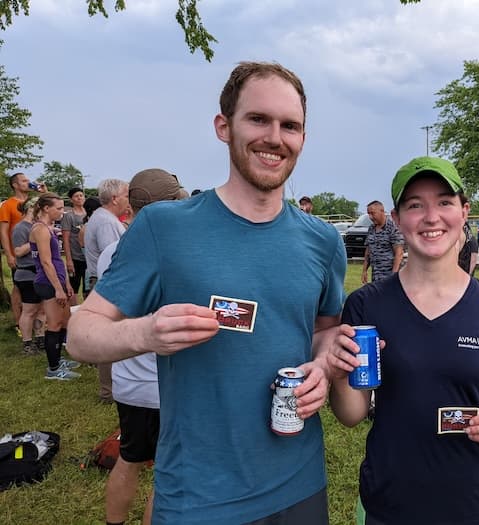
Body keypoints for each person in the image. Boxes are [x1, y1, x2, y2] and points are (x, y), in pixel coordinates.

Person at [67, 61, 346, 525]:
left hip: (299, 485)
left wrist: (321, 365)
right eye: (258, 119)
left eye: (290, 125)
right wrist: (147, 333)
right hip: (197, 494)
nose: (275, 137)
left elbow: (324, 331)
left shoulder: (323, 241)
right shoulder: (164, 227)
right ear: (224, 126)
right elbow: (80, 334)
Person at [327, 156, 479, 525]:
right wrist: (340, 372)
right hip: (388, 505)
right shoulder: (366, 305)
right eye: (414, 205)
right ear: (396, 218)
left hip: (478, 507)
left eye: (444, 201)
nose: (431, 216)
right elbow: (351, 415)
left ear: (464, 211)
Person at [99, 168, 187, 525]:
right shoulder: (173, 252)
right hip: (165, 384)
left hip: (128, 381)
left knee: (129, 458)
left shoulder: (111, 250)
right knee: (166, 470)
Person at [84, 178, 129, 404]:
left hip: (104, 283)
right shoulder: (106, 223)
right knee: (109, 338)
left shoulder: (104, 218)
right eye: (126, 195)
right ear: (114, 198)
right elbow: (113, 257)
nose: (128, 201)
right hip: (107, 285)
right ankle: (108, 391)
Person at [29, 193, 81, 380]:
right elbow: (46, 262)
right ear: (46, 208)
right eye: (58, 208)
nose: (62, 212)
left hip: (58, 280)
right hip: (48, 283)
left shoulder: (49, 228)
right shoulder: (40, 230)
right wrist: (57, 288)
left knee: (65, 321)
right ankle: (53, 368)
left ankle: (59, 359)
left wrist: (66, 283)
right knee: (55, 324)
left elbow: (58, 259)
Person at [0, 172, 46, 334]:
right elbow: (3, 231)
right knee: (19, 288)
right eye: (24, 181)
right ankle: (19, 323)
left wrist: (43, 193)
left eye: (28, 180)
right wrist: (9, 254)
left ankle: (36, 324)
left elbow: (50, 209)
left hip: (36, 255)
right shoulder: (8, 205)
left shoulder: (33, 203)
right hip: (19, 254)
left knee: (36, 290)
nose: (28, 183)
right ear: (15, 185)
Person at [12, 197, 45, 355]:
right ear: (32, 208)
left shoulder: (36, 226)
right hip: (26, 273)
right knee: (29, 310)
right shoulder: (20, 227)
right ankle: (27, 344)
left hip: (38, 273)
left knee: (41, 310)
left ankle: (40, 339)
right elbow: (17, 252)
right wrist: (35, 241)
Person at [361, 200, 404, 284]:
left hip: (389, 276)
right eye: (368, 214)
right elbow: (368, 252)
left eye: (373, 213)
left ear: (382, 211)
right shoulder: (371, 229)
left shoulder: (392, 227)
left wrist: (393, 276)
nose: (370, 217)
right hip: (376, 276)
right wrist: (364, 271)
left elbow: (399, 254)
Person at [61, 187, 87, 304]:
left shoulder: (89, 213)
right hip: (75, 257)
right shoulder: (69, 216)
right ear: (71, 199)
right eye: (76, 196)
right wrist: (69, 260)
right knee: (74, 287)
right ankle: (72, 312)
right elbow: (65, 239)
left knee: (88, 287)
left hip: (88, 257)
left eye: (81, 195)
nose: (79, 198)